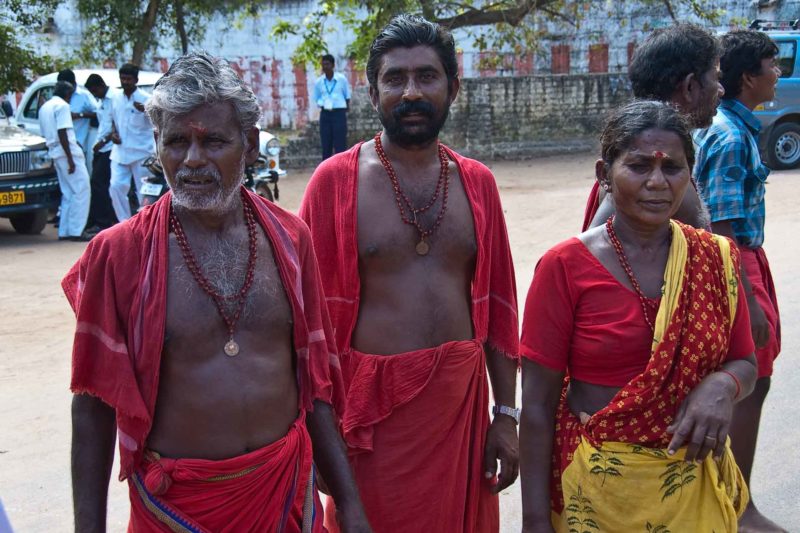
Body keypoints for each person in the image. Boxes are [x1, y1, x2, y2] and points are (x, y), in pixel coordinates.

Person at [64, 52, 371, 532]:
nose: (192, 160)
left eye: (213, 141)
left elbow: (316, 386)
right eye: (177, 141)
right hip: (177, 511)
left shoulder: (291, 239)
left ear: (249, 146)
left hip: (286, 493)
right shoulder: (119, 254)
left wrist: (349, 504)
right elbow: (92, 407)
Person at [300, 14, 519, 533]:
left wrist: (505, 415)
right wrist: (316, 438)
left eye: (427, 76)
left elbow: (499, 304)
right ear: (373, 93)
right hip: (370, 420)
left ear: (453, 87)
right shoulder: (335, 182)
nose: (411, 92)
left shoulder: (477, 183)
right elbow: (304, 325)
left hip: (459, 412)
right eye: (394, 79)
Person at [520, 100, 758, 532]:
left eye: (672, 169)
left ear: (690, 175)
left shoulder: (713, 258)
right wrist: (534, 520)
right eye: (639, 166)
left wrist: (722, 385)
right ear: (603, 175)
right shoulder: (563, 266)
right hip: (596, 497)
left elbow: (745, 360)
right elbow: (536, 406)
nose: (657, 182)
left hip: (692, 494)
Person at [693, 29, 786, 533]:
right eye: (772, 65)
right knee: (752, 380)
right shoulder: (729, 135)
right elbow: (725, 229)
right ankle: (739, 507)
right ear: (748, 76)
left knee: (753, 379)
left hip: (747, 261)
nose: (778, 73)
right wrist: (746, 298)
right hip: (739, 263)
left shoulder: (731, 126)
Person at [582, 23, 724, 231]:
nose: (721, 90)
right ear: (690, 86)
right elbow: (588, 255)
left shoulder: (633, 162)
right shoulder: (667, 186)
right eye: (716, 78)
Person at [38, 81, 92, 242]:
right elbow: (62, 132)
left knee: (68, 193)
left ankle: (65, 230)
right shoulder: (62, 106)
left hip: (55, 152)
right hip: (67, 152)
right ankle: (76, 231)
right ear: (68, 94)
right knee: (82, 191)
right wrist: (70, 159)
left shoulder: (45, 107)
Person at [108, 63, 155, 221]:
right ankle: (124, 223)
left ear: (136, 80)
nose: (125, 82)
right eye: (123, 78)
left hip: (142, 153)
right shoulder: (115, 98)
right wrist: (113, 133)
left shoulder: (147, 100)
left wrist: (146, 110)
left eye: (128, 79)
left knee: (144, 191)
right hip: (120, 152)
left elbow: (158, 123)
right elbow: (113, 119)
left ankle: (145, 223)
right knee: (115, 187)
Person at [84, 73, 118, 230]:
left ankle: (104, 221)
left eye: (94, 91)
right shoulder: (101, 101)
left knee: (100, 184)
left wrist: (104, 141)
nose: (94, 95)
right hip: (101, 147)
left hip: (110, 147)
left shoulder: (115, 98)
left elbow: (116, 124)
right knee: (98, 184)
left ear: (101, 86)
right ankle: (99, 220)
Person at [57, 69, 99, 171]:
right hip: (61, 144)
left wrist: (79, 115)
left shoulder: (84, 95)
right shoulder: (58, 96)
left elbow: (98, 114)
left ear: (73, 84)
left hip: (80, 142)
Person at [312, 54, 351, 160]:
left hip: (339, 114)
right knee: (326, 143)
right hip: (325, 114)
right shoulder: (319, 82)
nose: (325, 66)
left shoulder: (341, 79)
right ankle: (327, 171)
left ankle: (342, 168)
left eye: (327, 64)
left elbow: (347, 95)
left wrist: (345, 109)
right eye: (323, 64)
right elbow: (316, 98)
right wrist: (323, 103)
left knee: (340, 144)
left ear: (333, 65)